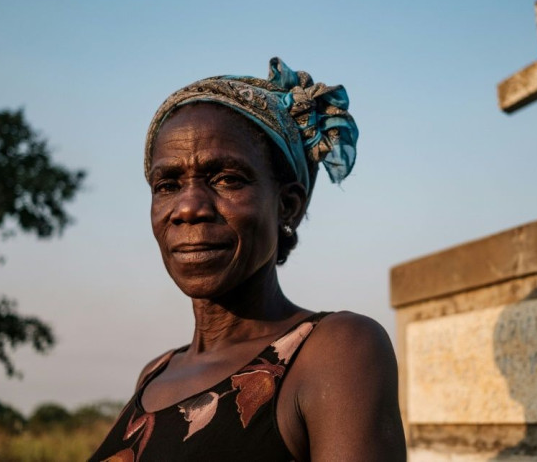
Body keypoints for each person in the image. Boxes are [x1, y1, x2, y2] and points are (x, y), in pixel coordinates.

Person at [89, 58, 406, 461]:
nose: (187, 208)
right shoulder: (156, 373)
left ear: (288, 205)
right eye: (167, 184)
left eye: (227, 179)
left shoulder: (336, 350)